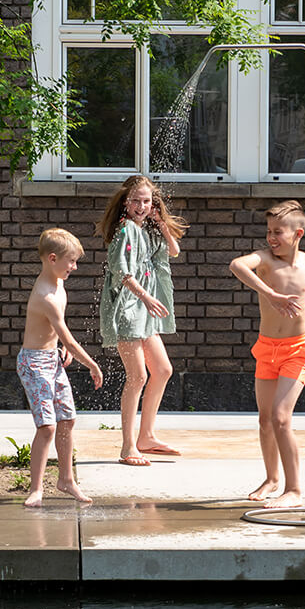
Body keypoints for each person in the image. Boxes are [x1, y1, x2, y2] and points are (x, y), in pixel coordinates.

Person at [229, 200, 305, 508]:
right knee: (265, 419)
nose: (271, 238)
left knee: (282, 418)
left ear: (297, 233)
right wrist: (269, 293)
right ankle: (272, 479)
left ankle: (294, 490)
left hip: (297, 350)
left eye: (278, 232)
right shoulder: (265, 260)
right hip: (266, 347)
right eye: (268, 231)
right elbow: (237, 265)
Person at [97, 175, 187, 466]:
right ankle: (127, 447)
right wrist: (146, 298)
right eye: (136, 200)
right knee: (138, 377)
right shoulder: (125, 231)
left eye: (146, 201)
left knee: (162, 369)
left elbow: (174, 250)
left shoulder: (147, 230)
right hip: (128, 309)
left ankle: (146, 436)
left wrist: (161, 223)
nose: (141, 205)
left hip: (143, 312)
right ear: (125, 201)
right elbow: (122, 274)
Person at [17, 227, 103, 507]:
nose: (75, 267)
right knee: (47, 427)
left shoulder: (58, 284)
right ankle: (37, 488)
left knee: (67, 419)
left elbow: (57, 332)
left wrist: (60, 347)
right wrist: (91, 364)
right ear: (52, 259)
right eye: (71, 261)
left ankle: (66, 479)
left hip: (52, 358)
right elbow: (67, 334)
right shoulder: (46, 297)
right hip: (34, 363)